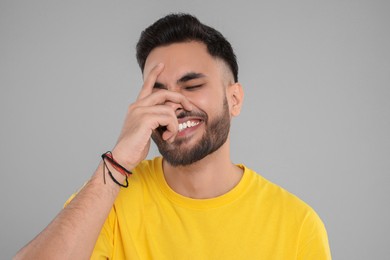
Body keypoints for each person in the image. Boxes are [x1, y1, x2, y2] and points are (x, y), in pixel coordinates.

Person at [15, 13, 331, 259]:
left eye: (192, 86)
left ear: (234, 100)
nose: (175, 104)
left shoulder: (297, 224)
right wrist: (120, 160)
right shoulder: (109, 196)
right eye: (158, 91)